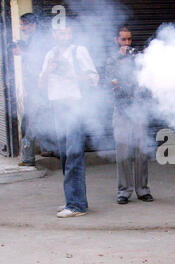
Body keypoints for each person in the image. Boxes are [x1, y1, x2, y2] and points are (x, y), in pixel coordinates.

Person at [39, 24, 99, 218]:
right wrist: (49, 69)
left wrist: (72, 74)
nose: (62, 35)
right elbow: (41, 84)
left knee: (74, 155)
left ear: (71, 34)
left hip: (75, 107)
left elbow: (94, 78)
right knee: (65, 156)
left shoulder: (79, 51)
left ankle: (76, 206)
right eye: (58, 32)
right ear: (54, 35)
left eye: (66, 32)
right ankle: (73, 199)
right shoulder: (50, 54)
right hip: (58, 107)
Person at [105, 25, 154, 205]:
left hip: (139, 109)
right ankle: (124, 190)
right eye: (123, 39)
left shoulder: (137, 58)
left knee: (141, 151)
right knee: (123, 151)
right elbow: (111, 82)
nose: (127, 43)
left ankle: (143, 189)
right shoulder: (112, 60)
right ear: (116, 41)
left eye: (129, 39)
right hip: (122, 110)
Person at [14, 13, 55, 166]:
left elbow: (39, 61)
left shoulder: (39, 39)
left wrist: (22, 52)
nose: (22, 27)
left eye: (24, 24)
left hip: (39, 89)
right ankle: (50, 149)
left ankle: (28, 158)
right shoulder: (35, 39)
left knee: (30, 122)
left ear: (32, 25)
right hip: (37, 88)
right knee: (43, 119)